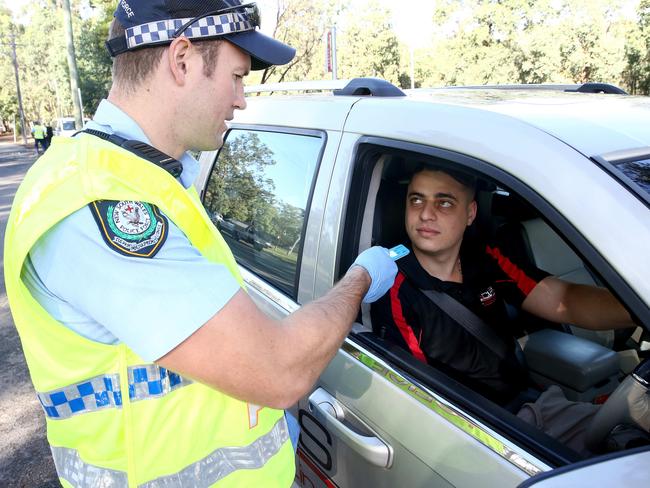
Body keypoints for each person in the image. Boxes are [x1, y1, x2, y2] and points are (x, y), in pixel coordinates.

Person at [4, 1, 397, 486]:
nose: (241, 100)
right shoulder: (97, 200)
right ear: (183, 59)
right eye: (236, 77)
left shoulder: (147, 177)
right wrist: (359, 279)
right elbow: (278, 370)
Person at [371, 166, 635, 455]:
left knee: (633, 437)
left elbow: (564, 300)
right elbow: (419, 395)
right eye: (416, 200)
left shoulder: (485, 257)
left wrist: (638, 307)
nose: (425, 214)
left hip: (536, 405)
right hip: (481, 433)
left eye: (444, 202)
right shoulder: (395, 286)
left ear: (470, 214)